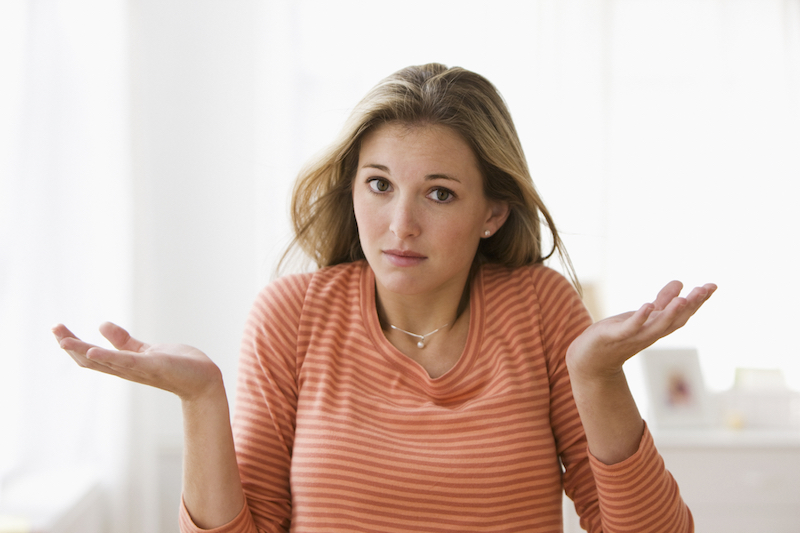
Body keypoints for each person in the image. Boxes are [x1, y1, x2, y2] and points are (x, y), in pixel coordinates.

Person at [53, 63, 715, 532]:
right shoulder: (292, 316)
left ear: (492, 213)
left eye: (439, 192)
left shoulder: (540, 308)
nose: (400, 224)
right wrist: (201, 400)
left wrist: (597, 377)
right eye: (378, 185)